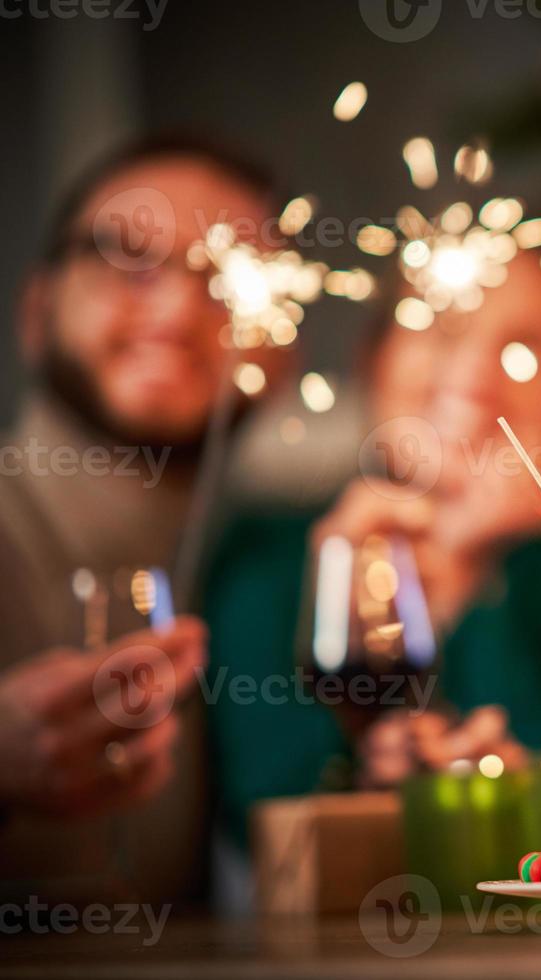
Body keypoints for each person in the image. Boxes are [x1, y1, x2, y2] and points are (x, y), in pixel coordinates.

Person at [203, 250, 541, 869]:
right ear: (373, 358)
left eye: (526, 346)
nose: (472, 375)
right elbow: (268, 811)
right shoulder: (270, 562)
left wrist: (473, 571)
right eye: (439, 327)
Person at [0, 136, 279, 904]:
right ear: (36, 306)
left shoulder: (273, 562)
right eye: (128, 257)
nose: (178, 308)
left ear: (281, 352)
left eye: (229, 278)